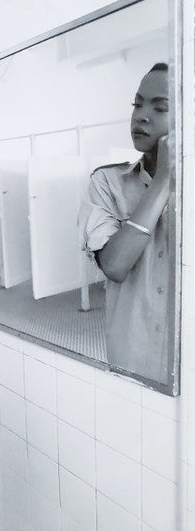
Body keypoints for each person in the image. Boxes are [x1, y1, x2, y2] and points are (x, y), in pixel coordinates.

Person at [81, 63, 171, 383]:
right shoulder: (106, 182)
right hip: (133, 357)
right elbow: (115, 266)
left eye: (160, 107)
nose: (141, 116)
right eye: (137, 104)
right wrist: (163, 181)